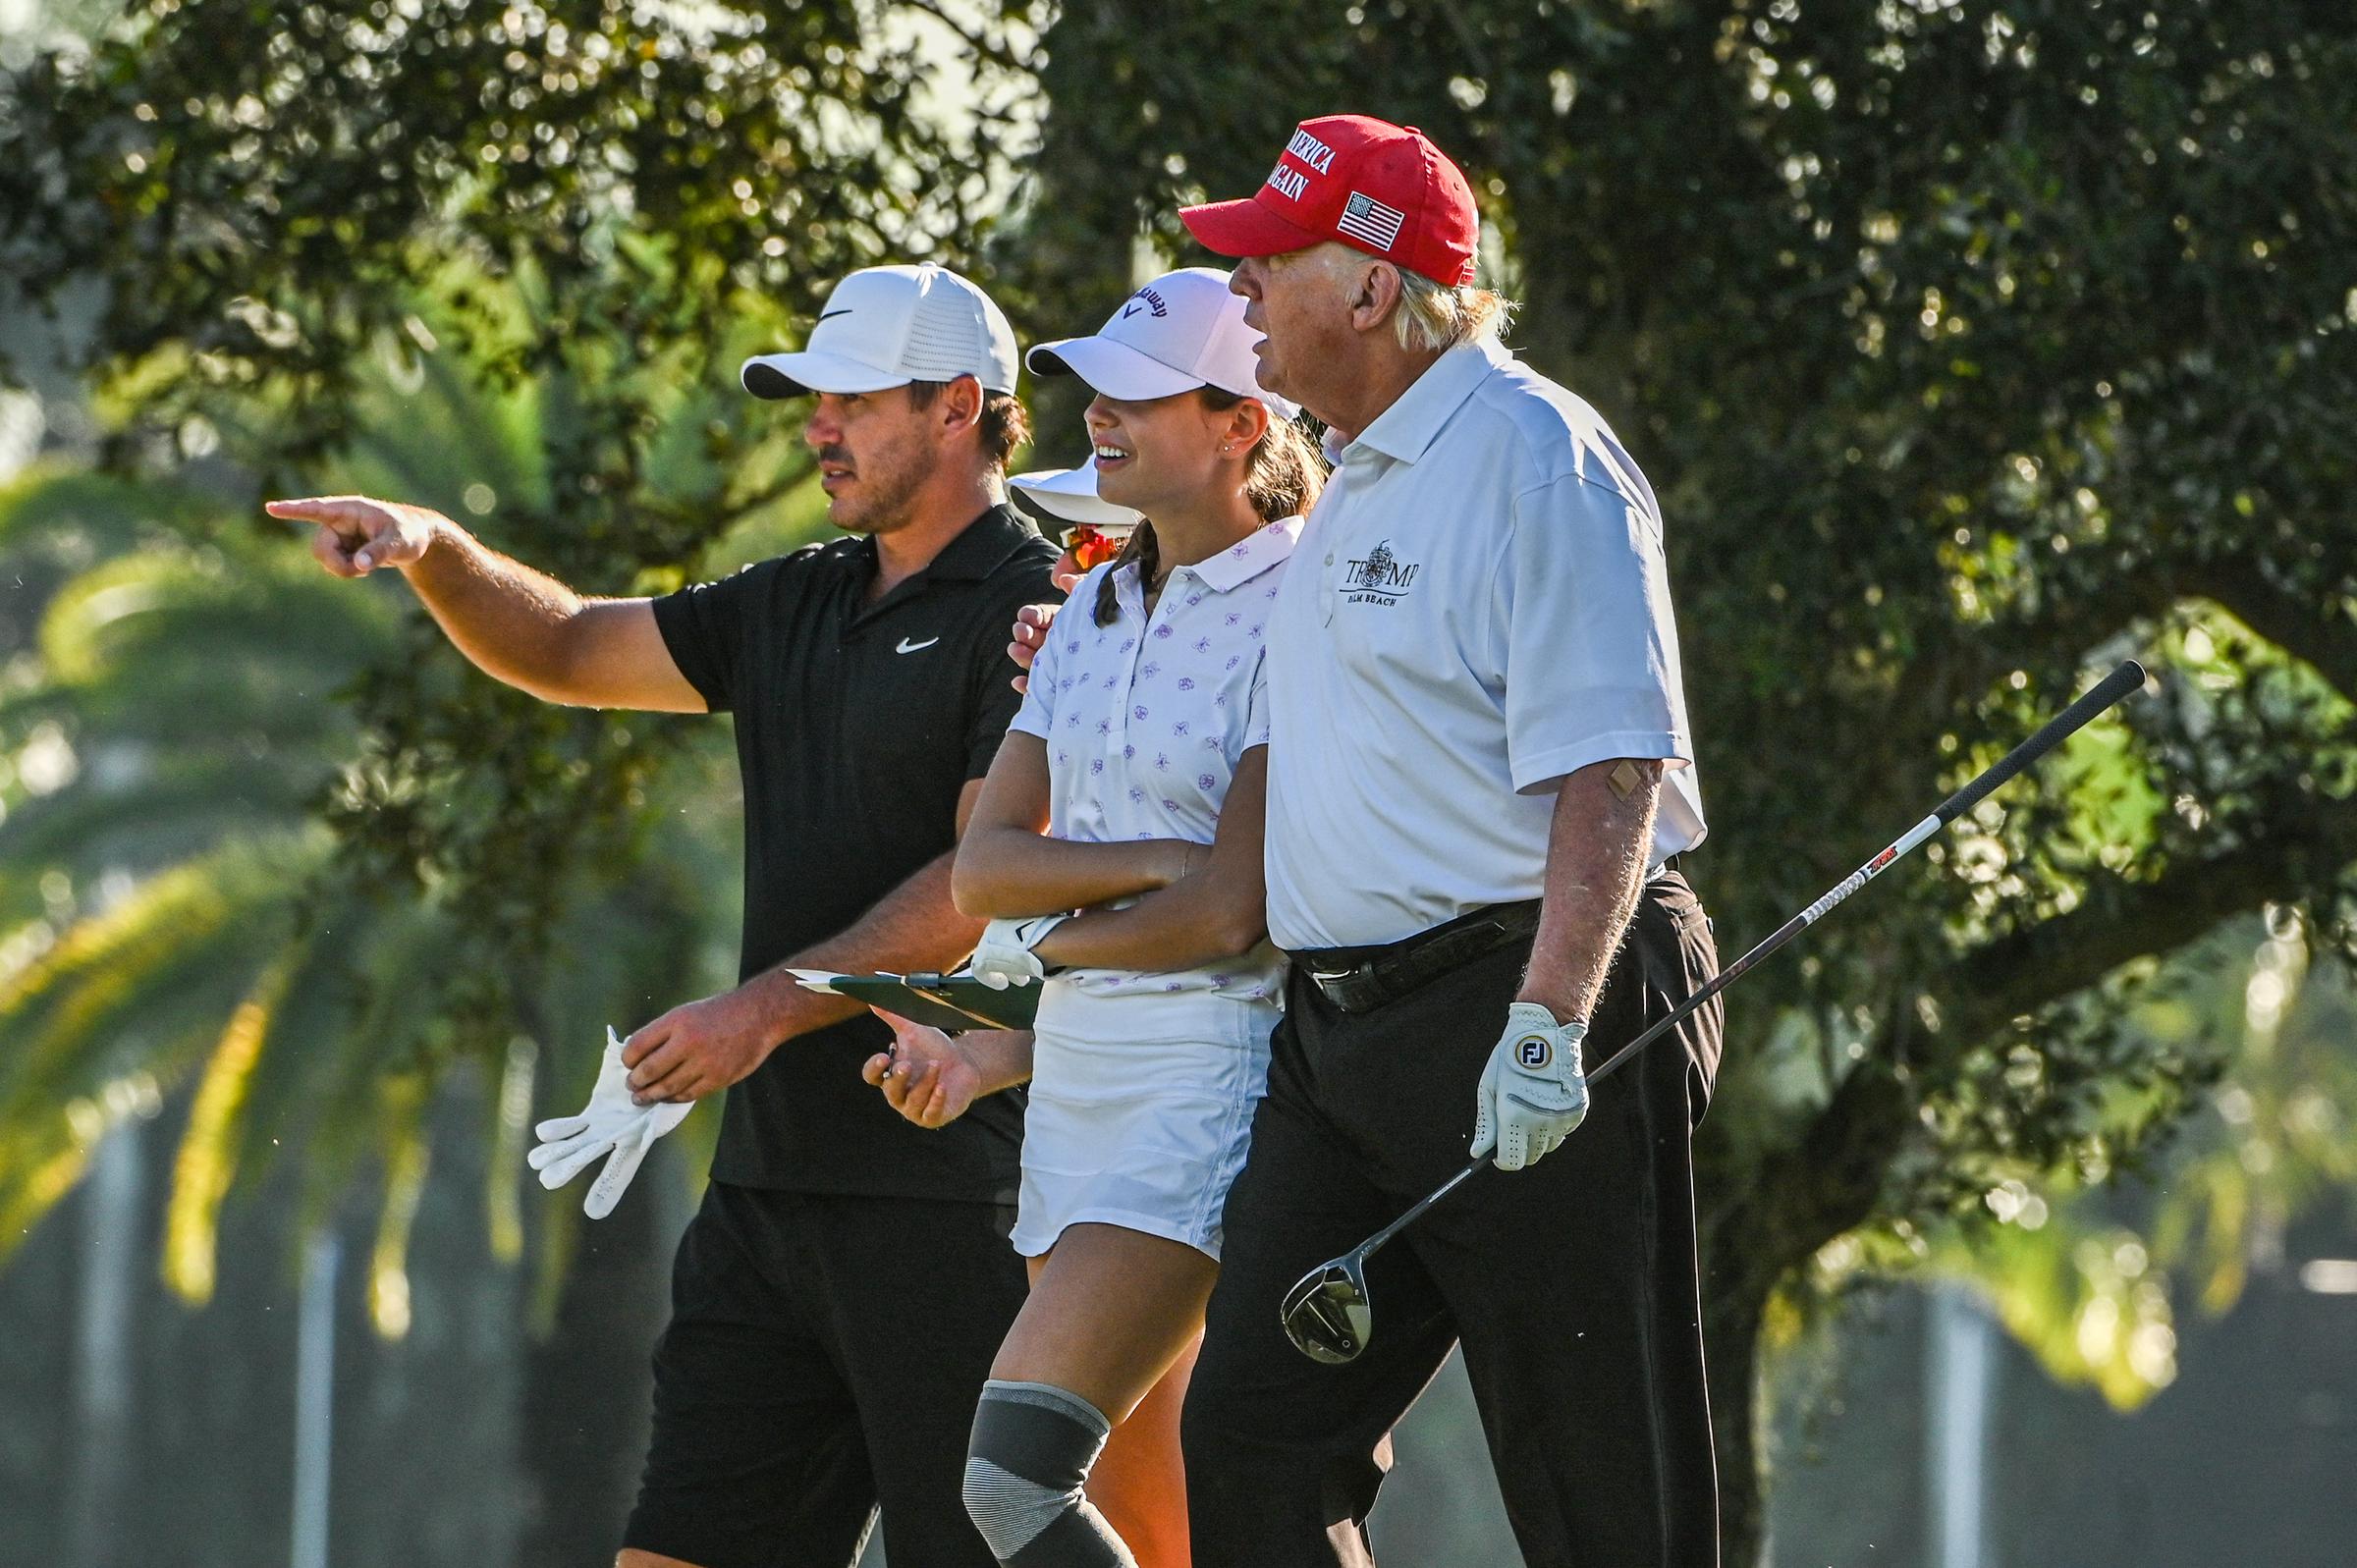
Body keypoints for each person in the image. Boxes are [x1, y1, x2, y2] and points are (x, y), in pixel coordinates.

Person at [268, 262, 1067, 1568]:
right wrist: (435, 549)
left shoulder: (1038, 610)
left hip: (951, 1194)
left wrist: (764, 1009)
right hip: (765, 1196)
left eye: (852, 401)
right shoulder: (801, 594)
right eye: (813, 402)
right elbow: (573, 644)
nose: (817, 427)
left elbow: (985, 880)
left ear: (958, 407)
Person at [1161, 116, 1727, 1567]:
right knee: (1251, 1439)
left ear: (1365, 286)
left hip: (1528, 1008)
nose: (1244, 297)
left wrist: (1550, 1023)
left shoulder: (1536, 455)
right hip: (1341, 1041)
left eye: (1268, 265)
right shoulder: (1349, 475)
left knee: (1601, 1484)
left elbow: (1614, 765)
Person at [859, 266, 1326, 1568]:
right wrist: (1155, 862)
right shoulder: (1093, 607)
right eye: (1094, 393)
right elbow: (985, 871)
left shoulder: (1303, 597)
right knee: (1139, 1497)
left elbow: (1232, 913)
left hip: (1208, 1079)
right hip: (1078, 1093)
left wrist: (1050, 952)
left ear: (1244, 421)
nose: (1098, 416)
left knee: (1012, 1479)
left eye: (1137, 393)